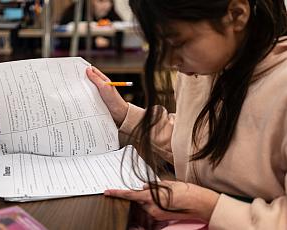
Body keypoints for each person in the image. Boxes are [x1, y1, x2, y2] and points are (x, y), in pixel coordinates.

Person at [86, 0, 287, 229]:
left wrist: (207, 206)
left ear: (237, 14)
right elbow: (196, 143)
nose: (168, 61)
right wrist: (123, 113)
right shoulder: (202, 71)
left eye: (179, 43)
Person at [57, 0, 122, 50]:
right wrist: (93, 42)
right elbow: (64, 40)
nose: (106, 5)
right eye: (101, 1)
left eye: (109, 1)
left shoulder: (110, 13)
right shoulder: (74, 12)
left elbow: (120, 33)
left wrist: (110, 42)